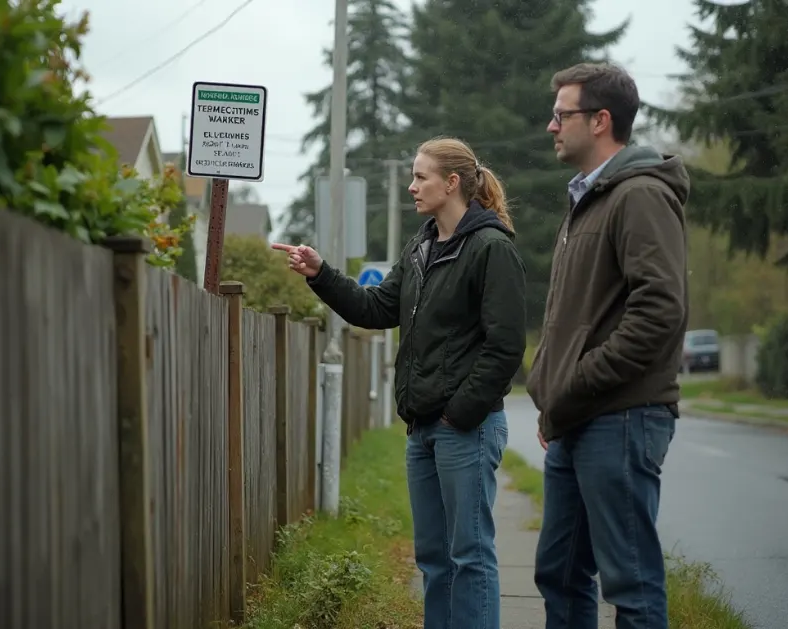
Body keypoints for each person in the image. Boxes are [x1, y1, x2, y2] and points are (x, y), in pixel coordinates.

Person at [272, 137, 527, 629]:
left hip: (465, 429)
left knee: (470, 555)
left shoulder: (491, 248)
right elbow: (376, 308)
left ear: (451, 183)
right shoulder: (421, 246)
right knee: (433, 557)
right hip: (423, 429)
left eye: (420, 177)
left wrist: (459, 413)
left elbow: (505, 348)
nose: (411, 187)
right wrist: (322, 274)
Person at [526, 62, 691, 629]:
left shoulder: (640, 195)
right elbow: (576, 318)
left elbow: (659, 313)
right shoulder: (588, 199)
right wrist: (552, 392)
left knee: (632, 584)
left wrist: (574, 385)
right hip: (578, 418)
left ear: (600, 121)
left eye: (561, 114)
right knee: (560, 573)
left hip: (621, 417)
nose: (551, 127)